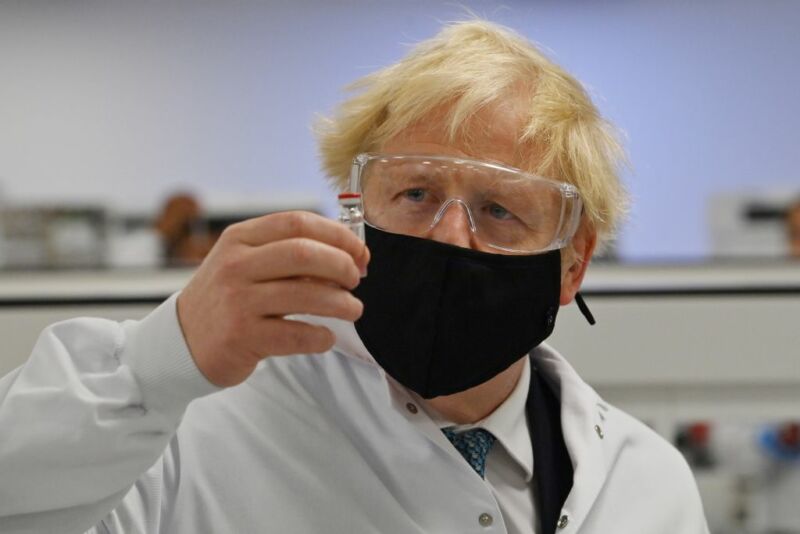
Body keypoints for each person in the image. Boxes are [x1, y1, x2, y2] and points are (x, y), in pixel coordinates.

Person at [0, 20, 709, 534]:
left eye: (499, 209)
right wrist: (161, 363)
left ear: (572, 265)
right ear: (354, 213)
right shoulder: (192, 428)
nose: (449, 236)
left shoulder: (645, 487)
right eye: (416, 195)